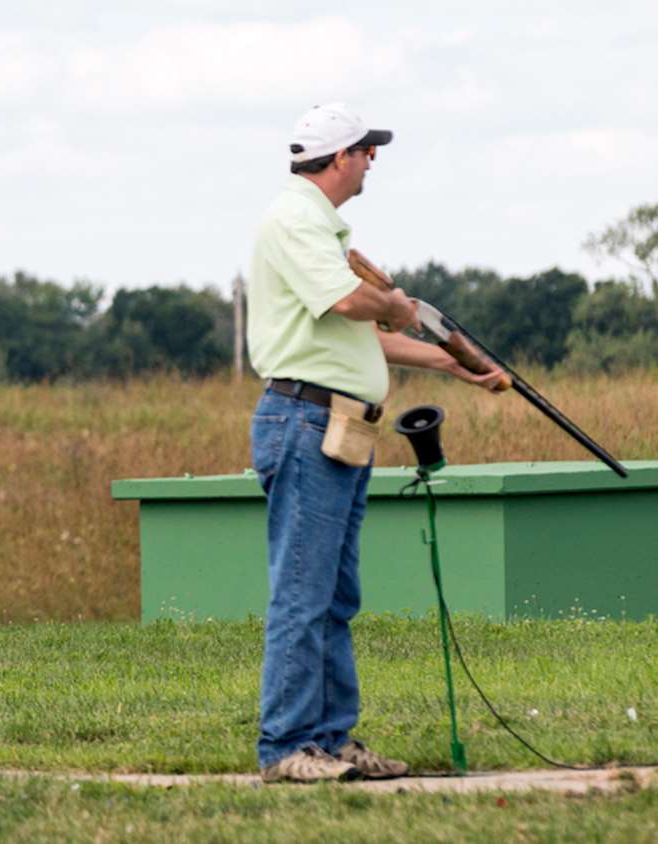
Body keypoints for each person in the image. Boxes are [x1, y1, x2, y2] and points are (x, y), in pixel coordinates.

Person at [246, 104, 504, 783]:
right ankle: (286, 748)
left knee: (334, 593)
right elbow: (350, 307)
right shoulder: (296, 219)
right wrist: (393, 302)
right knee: (303, 593)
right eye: (364, 150)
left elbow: (359, 331)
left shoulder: (321, 230)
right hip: (304, 422)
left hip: (338, 425)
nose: (371, 161)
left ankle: (331, 740)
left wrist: (455, 363)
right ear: (337, 158)